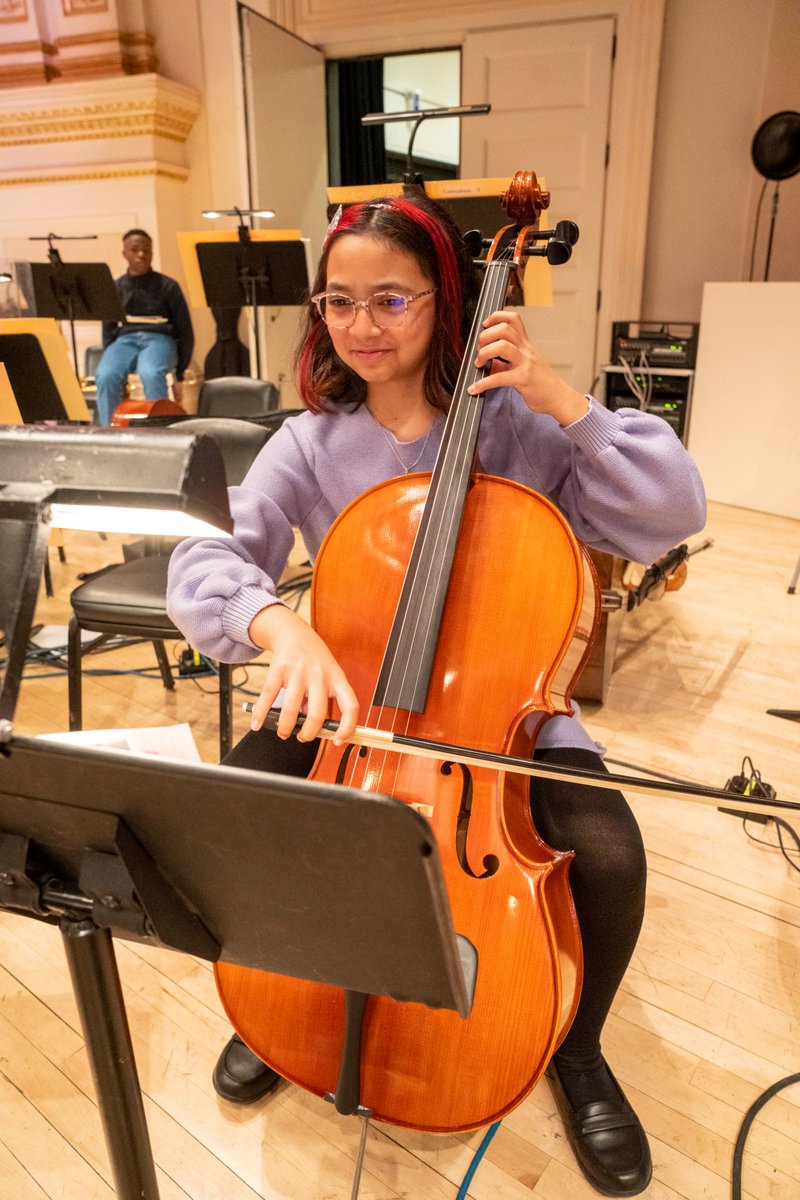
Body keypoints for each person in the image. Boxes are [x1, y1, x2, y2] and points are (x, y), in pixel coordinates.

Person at [166, 192, 706, 1198]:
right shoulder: (310, 441)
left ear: (443, 302)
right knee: (244, 808)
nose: (361, 326)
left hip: (505, 709)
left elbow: (667, 513)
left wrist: (561, 399)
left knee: (607, 848)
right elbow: (205, 553)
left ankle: (575, 1043)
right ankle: (289, 992)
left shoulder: (520, 428)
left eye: (391, 301)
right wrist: (276, 624)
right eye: (339, 302)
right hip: (354, 711)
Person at [95, 229, 194, 425]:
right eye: (135, 250)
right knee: (105, 375)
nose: (141, 254)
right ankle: (111, 432)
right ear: (124, 253)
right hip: (125, 340)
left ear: (152, 253)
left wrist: (179, 374)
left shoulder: (168, 286)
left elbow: (185, 330)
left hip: (159, 339)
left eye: (146, 250)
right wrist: (112, 356)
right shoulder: (116, 287)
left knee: (150, 372)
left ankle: (159, 429)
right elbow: (108, 327)